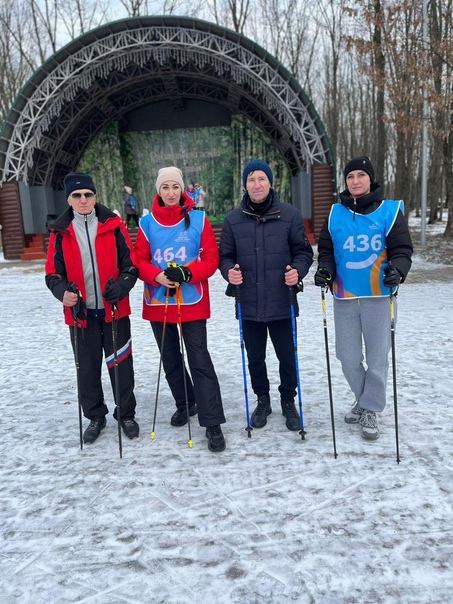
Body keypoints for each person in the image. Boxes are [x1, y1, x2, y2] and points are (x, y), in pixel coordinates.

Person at [314, 156, 413, 440]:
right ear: (344, 182)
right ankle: (365, 398)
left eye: (360, 175)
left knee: (378, 356)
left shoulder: (390, 211)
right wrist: (325, 272)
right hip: (344, 296)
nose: (355, 181)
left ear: (370, 178)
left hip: (378, 295)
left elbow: (402, 250)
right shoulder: (335, 213)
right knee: (347, 356)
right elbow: (327, 252)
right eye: (350, 177)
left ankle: (369, 408)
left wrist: (398, 270)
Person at [134, 166, 226, 452]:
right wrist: (155, 275)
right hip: (160, 298)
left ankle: (212, 423)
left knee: (199, 358)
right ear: (158, 191)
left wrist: (187, 273)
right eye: (165, 187)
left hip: (191, 299)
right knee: (171, 357)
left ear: (183, 190)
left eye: (175, 187)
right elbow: (140, 260)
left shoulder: (198, 219)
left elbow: (211, 259)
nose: (171, 193)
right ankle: (186, 402)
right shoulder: (147, 223)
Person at [219, 159, 314, 431]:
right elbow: (225, 256)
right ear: (245, 185)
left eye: (261, 178)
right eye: (251, 179)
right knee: (255, 358)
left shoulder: (290, 215)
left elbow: (304, 253)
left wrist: (297, 271)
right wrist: (229, 272)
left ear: (270, 183)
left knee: (287, 356)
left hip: (282, 301)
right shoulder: (233, 220)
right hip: (248, 302)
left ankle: (287, 400)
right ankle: (263, 399)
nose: (256, 184)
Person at [45, 172, 139, 444]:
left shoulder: (113, 224)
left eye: (88, 194)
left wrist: (122, 286)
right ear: (69, 200)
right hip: (81, 315)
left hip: (114, 311)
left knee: (121, 365)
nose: (83, 199)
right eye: (77, 195)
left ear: (95, 197)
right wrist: (62, 292)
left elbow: (130, 265)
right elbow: (52, 274)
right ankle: (95, 415)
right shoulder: (60, 232)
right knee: (87, 369)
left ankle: (126, 414)